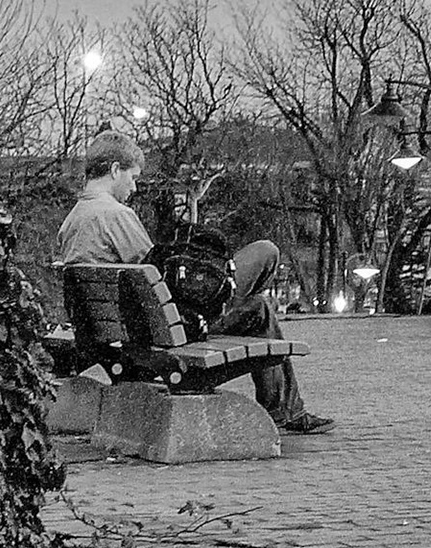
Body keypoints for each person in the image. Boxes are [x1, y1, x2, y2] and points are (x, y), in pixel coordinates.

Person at [56, 130, 334, 435]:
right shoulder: (115, 214)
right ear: (113, 170)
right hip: (169, 332)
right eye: (132, 177)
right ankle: (284, 410)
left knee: (258, 306)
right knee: (265, 257)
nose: (134, 187)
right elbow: (156, 279)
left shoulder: (73, 218)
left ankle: (284, 408)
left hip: (120, 333)